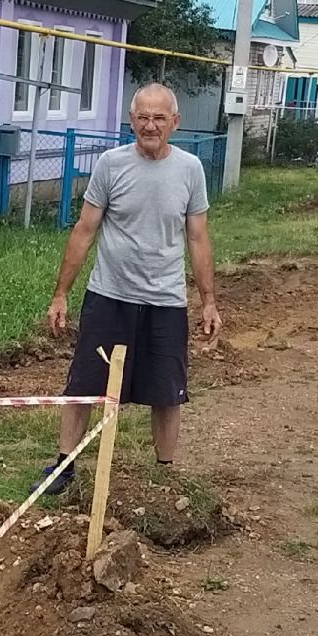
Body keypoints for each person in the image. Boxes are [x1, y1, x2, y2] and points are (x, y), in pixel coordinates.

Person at [39, 83, 220, 488]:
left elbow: (198, 238)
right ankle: (64, 468)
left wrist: (208, 300)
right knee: (85, 384)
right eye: (142, 118)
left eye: (159, 118)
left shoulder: (190, 170)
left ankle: (164, 477)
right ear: (131, 121)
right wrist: (61, 293)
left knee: (167, 392)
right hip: (109, 297)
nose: (150, 126)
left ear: (175, 122)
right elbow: (85, 230)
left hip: (165, 302)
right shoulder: (110, 164)